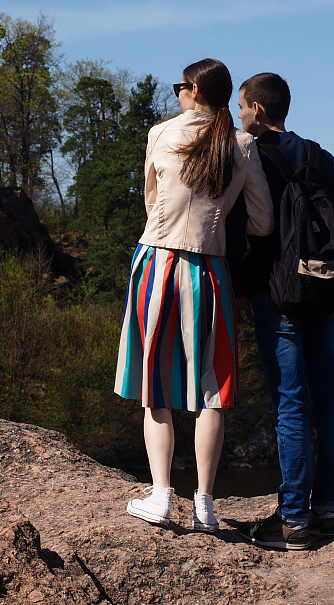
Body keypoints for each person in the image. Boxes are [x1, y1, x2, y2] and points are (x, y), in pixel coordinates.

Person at [115, 58, 273, 531]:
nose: (177, 92)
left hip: (157, 262)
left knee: (154, 385)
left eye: (182, 86)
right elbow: (263, 221)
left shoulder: (161, 134)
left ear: (195, 91)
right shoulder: (243, 144)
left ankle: (161, 495)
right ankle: (205, 503)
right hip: (211, 270)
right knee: (212, 389)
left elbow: (150, 201)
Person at [228, 72, 334, 550]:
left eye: (242, 107)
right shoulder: (321, 155)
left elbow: (246, 231)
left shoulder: (253, 155)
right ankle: (326, 513)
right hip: (323, 288)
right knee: (329, 397)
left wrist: (242, 289)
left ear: (258, 110)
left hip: (277, 294)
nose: (239, 114)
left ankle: (294, 522)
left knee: (290, 400)